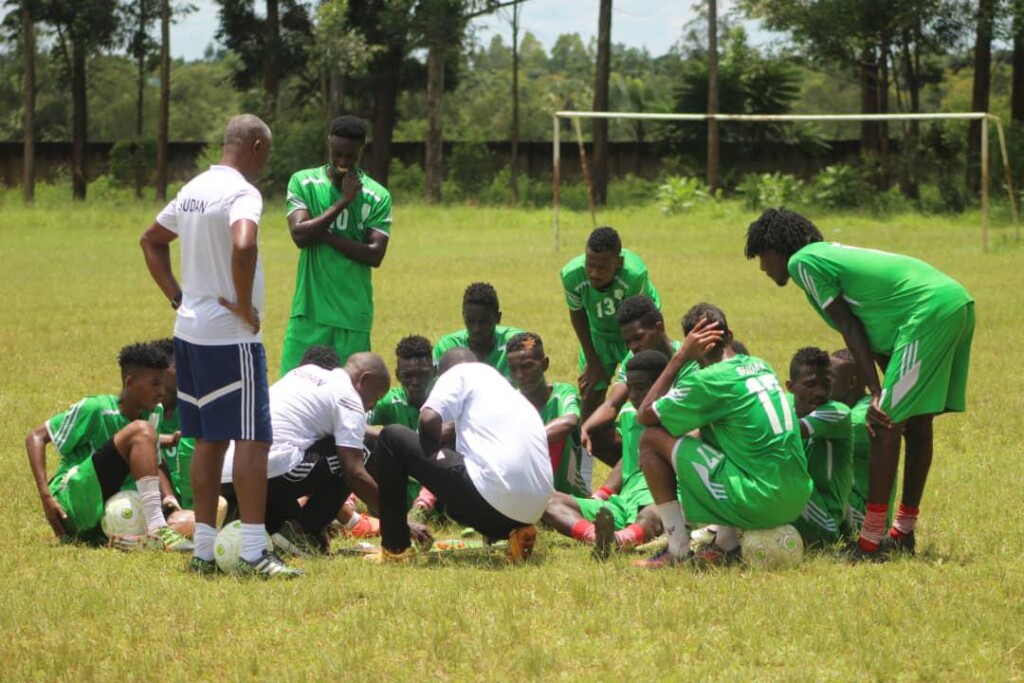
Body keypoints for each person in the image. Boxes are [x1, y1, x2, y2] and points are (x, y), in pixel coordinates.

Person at [744, 208, 975, 560]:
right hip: (952, 301)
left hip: (929, 310)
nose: (762, 267)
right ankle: (903, 533)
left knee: (883, 422)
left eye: (761, 256)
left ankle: (870, 543)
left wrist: (877, 393)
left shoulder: (802, 262)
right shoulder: (826, 256)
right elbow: (872, 330)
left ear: (775, 249)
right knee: (915, 421)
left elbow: (849, 326)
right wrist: (884, 385)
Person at [140, 113, 300, 578]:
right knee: (253, 438)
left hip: (189, 333)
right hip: (231, 338)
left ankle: (204, 553)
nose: (265, 164)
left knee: (208, 439)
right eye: (266, 155)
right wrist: (244, 304)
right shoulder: (242, 192)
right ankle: (252, 552)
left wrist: (178, 297)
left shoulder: (192, 189)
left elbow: (151, 241)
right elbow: (244, 244)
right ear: (255, 146)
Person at [633, 303, 812, 568]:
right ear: (730, 336)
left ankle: (677, 549)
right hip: (797, 498)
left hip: (762, 502)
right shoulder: (761, 365)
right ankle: (725, 543)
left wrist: (679, 357)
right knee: (714, 432)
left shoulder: (708, 381)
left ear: (692, 346)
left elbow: (645, 415)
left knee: (650, 439)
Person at [220, 347, 428, 553]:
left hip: (229, 475)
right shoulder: (349, 398)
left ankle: (277, 526)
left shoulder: (306, 373)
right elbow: (354, 473)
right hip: (270, 472)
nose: (372, 407)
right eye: (375, 397)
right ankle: (302, 531)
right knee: (364, 448)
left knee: (342, 446)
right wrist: (397, 519)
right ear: (364, 380)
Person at [366, 348, 554, 564]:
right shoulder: (506, 390)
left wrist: (426, 460)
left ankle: (395, 549)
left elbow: (428, 419)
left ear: (440, 374)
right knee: (463, 486)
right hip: (533, 510)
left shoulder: (457, 374)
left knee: (392, 437)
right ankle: (518, 532)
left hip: (493, 502)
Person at [25, 342, 192, 550]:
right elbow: (35, 437)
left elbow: (155, 462)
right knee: (141, 430)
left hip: (111, 508)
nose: (161, 391)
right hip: (72, 504)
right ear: (129, 382)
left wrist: (169, 501)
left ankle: (130, 539)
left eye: (162, 384)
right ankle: (157, 528)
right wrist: (46, 497)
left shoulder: (153, 412)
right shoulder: (95, 408)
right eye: (155, 384)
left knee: (192, 521)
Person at [280, 115, 393, 374]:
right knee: (295, 387)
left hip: (352, 315)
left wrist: (323, 233)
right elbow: (300, 236)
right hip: (309, 311)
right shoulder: (304, 182)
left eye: (350, 156)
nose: (343, 161)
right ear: (329, 142)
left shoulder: (377, 196)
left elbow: (375, 255)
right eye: (337, 154)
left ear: (361, 150)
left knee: (348, 392)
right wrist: (344, 201)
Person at [543, 349, 667, 558]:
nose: (633, 396)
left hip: (662, 499)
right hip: (624, 501)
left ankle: (618, 540)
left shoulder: (678, 416)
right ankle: (596, 536)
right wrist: (601, 495)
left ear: (662, 386)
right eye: (629, 389)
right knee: (547, 500)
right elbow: (628, 458)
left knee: (651, 516)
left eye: (640, 388)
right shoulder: (629, 413)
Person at [560, 226, 660, 464]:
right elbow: (577, 314)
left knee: (639, 394)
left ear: (618, 262)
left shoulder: (634, 275)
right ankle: (621, 466)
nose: (594, 273)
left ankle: (648, 458)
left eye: (603, 267)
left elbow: (638, 319)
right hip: (599, 336)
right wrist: (593, 362)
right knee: (590, 406)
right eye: (590, 265)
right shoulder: (572, 275)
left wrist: (633, 359)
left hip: (636, 333)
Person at [581, 295, 680, 466]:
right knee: (597, 432)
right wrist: (584, 428)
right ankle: (632, 474)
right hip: (647, 432)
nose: (633, 346)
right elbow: (612, 404)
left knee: (634, 416)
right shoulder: (634, 358)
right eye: (628, 342)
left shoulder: (687, 359)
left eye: (638, 338)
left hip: (679, 432)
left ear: (659, 328)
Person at [506, 332, 589, 497]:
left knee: (557, 436)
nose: (520, 376)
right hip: (524, 496)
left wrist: (528, 441)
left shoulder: (561, 393)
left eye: (527, 366)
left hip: (570, 496)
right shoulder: (510, 402)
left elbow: (570, 421)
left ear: (544, 364)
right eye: (513, 369)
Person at [786, 347, 853, 548]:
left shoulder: (837, 412)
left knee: (774, 472)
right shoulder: (785, 405)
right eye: (810, 384)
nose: (820, 392)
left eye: (826, 384)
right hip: (802, 502)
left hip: (826, 523)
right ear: (791, 386)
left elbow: (787, 430)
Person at [366, 335, 439, 521]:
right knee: (358, 443)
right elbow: (352, 424)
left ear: (434, 371)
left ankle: (421, 510)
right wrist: (387, 436)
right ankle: (348, 505)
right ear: (398, 375)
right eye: (408, 376)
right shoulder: (390, 401)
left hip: (439, 491)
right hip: (399, 490)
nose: (415, 382)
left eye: (422, 374)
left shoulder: (444, 401)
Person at [830, 348, 895, 534]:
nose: (822, 383)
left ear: (851, 382)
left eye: (829, 377)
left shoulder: (860, 420)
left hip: (863, 514)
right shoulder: (854, 407)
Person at [433, 283, 524, 380]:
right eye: (471, 321)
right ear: (464, 316)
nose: (476, 329)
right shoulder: (447, 347)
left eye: (483, 322)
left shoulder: (517, 344)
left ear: (498, 318)